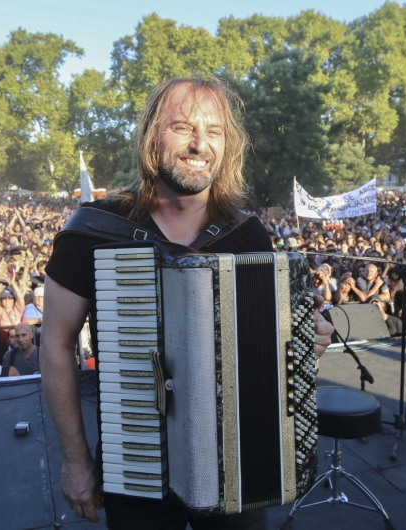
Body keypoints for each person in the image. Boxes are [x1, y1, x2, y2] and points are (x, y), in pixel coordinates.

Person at [40, 77, 334, 528]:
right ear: (151, 134)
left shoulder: (247, 234)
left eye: (214, 131)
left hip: (235, 460)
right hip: (135, 462)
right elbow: (56, 346)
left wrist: (301, 345)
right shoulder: (93, 229)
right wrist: (75, 461)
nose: (200, 143)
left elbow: (269, 354)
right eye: (182, 127)